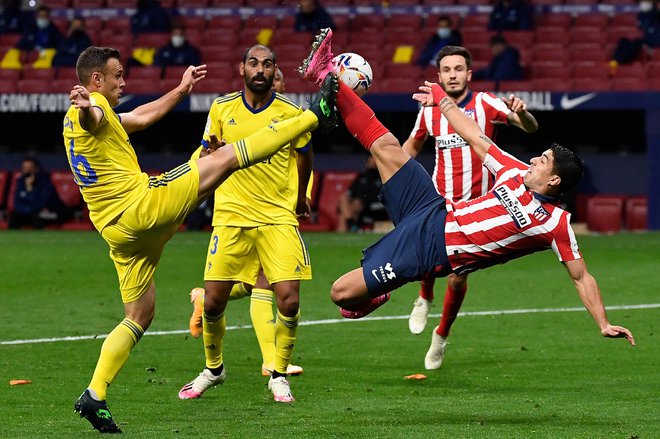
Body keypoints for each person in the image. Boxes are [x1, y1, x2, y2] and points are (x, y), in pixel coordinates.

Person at [299, 28, 635, 367]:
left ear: (555, 180)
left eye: (543, 161)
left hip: (432, 250)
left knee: (340, 294)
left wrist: (603, 323)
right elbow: (476, 137)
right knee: (386, 146)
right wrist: (442, 100)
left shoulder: (555, 224)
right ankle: (326, 74)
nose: (534, 160)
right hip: (433, 207)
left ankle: (381, 295)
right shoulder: (514, 171)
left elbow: (581, 276)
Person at [65, 45, 338, 433]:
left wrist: (180, 90)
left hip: (115, 233)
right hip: (141, 207)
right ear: (97, 80)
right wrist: (84, 106)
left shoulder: (97, 114)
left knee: (139, 315)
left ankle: (94, 394)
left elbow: (140, 117)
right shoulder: (90, 105)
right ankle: (315, 113)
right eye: (117, 75)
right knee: (224, 160)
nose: (123, 82)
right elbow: (91, 117)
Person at [178, 46, 315, 404]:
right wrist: (211, 154)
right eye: (253, 63)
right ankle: (213, 369)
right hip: (231, 216)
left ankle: (280, 374)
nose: (260, 69)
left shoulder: (290, 112)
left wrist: (300, 197)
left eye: (267, 64)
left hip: (276, 217)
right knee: (213, 302)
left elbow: (305, 152)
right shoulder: (222, 108)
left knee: (287, 300)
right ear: (241, 68)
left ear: (274, 72)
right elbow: (205, 154)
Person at [404, 45, 538, 369]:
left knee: (458, 277)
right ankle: (424, 295)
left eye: (458, 69)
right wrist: (394, 171)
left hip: (476, 208)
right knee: (425, 258)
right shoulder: (429, 110)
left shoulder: (486, 103)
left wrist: (522, 112)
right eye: (447, 70)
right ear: (438, 76)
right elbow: (413, 144)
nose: (452, 75)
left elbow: (530, 127)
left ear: (469, 74)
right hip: (439, 201)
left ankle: (441, 335)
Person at [8, 157, 68, 229]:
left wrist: (30, 189)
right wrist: (27, 210)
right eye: (24, 167)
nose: (26, 170)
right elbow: (16, 203)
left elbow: (39, 204)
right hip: (29, 212)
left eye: (29, 168)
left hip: (49, 212)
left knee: (37, 217)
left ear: (36, 169)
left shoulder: (45, 183)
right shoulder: (20, 182)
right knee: (15, 216)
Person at [337, 155, 388, 232]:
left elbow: (387, 199)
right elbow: (350, 193)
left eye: (375, 159)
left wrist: (365, 204)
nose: (372, 161)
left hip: (375, 208)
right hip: (359, 209)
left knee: (352, 208)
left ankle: (352, 224)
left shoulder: (384, 177)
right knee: (343, 199)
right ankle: (350, 224)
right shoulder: (362, 176)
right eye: (370, 159)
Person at [611, 0, 660, 66]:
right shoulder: (649, 16)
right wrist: (646, 11)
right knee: (625, 42)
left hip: (654, 42)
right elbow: (642, 25)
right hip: (650, 42)